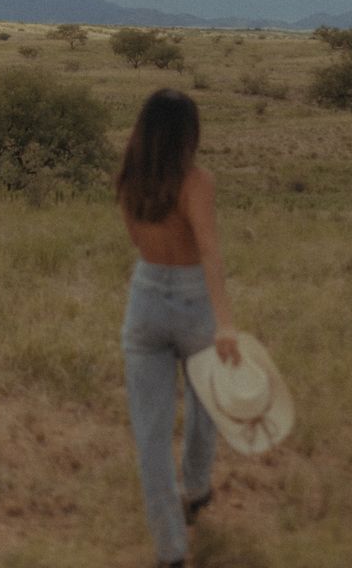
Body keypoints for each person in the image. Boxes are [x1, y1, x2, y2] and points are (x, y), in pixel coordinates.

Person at [118, 88, 241, 568]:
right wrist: (225, 323)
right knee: (205, 405)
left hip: (145, 294)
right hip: (193, 302)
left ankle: (171, 551)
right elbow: (210, 251)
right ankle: (195, 488)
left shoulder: (129, 178)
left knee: (150, 435)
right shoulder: (197, 182)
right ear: (187, 134)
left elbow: (136, 240)